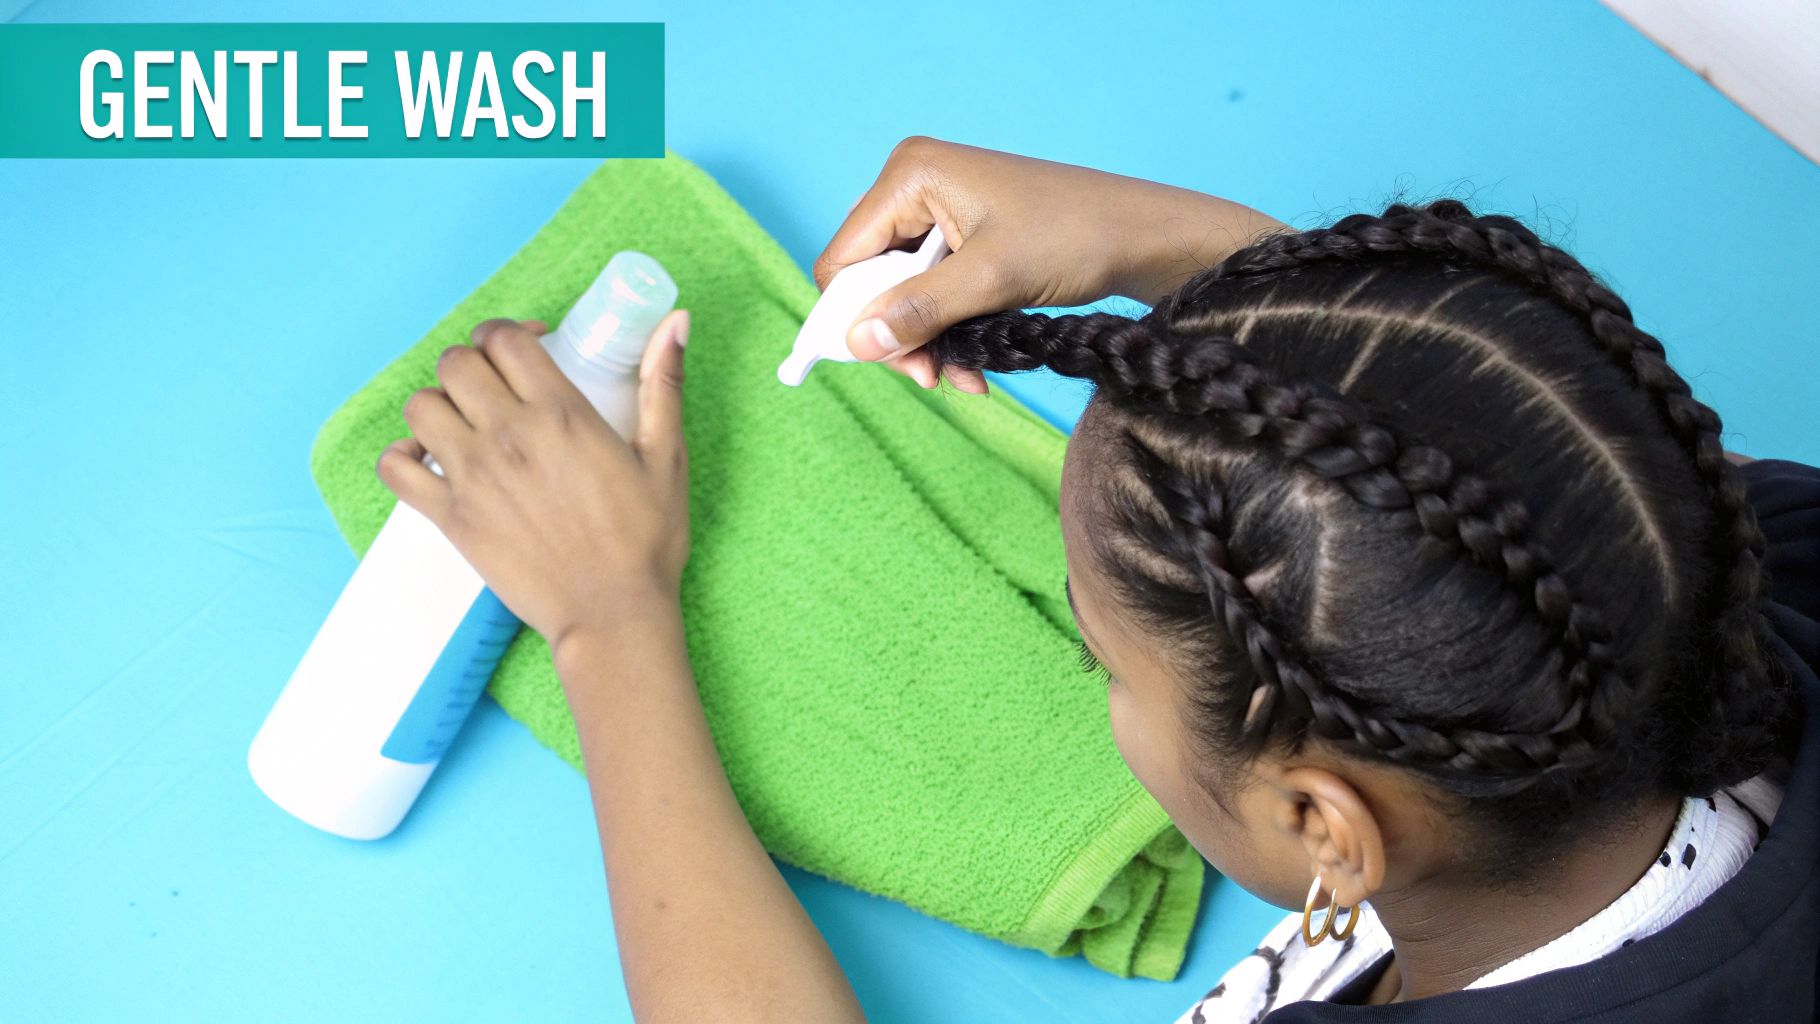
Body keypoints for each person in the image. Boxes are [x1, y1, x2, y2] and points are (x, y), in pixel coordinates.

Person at [373, 138, 1820, 1022]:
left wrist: (608, 617)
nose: (1096, 677)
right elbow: (1519, 493)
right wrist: (1201, 267)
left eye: (1104, 657)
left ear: (1326, 829)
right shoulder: (1748, 571)